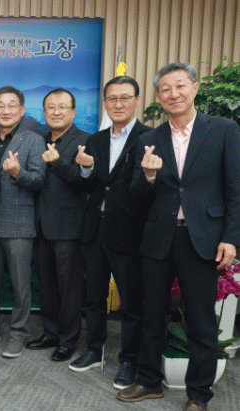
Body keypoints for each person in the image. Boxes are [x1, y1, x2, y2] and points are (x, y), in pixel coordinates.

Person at [117, 63, 240, 411]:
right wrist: (148, 176)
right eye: (166, 89)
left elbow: (235, 189)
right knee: (151, 315)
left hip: (202, 239)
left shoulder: (223, 130)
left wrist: (231, 238)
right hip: (158, 238)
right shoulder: (148, 139)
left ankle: (199, 394)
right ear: (158, 96)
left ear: (195, 88)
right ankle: (149, 381)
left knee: (201, 320)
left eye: (180, 86)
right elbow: (134, 198)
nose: (174, 94)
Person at [68, 77, 151, 389]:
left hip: (129, 232)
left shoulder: (149, 137)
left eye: (125, 98)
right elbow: (89, 186)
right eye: (112, 98)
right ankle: (94, 349)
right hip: (94, 228)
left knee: (131, 302)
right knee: (93, 296)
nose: (118, 104)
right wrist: (86, 168)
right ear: (105, 103)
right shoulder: (96, 139)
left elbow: (146, 189)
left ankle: (129, 360)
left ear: (136, 100)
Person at [0, 86, 46, 358]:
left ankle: (19, 332)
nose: (6, 110)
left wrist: (17, 173)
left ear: (22, 110)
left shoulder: (33, 140)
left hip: (19, 223)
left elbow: (39, 181)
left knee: (20, 285)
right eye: (0, 105)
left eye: (12, 105)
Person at [26, 88, 89, 362]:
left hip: (68, 227)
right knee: (47, 285)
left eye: (62, 106)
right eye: (50, 107)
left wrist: (58, 163)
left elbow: (85, 182)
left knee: (69, 288)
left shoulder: (85, 141)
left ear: (73, 112)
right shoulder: (38, 141)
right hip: (40, 226)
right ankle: (50, 333)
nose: (56, 111)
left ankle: (68, 339)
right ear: (44, 113)